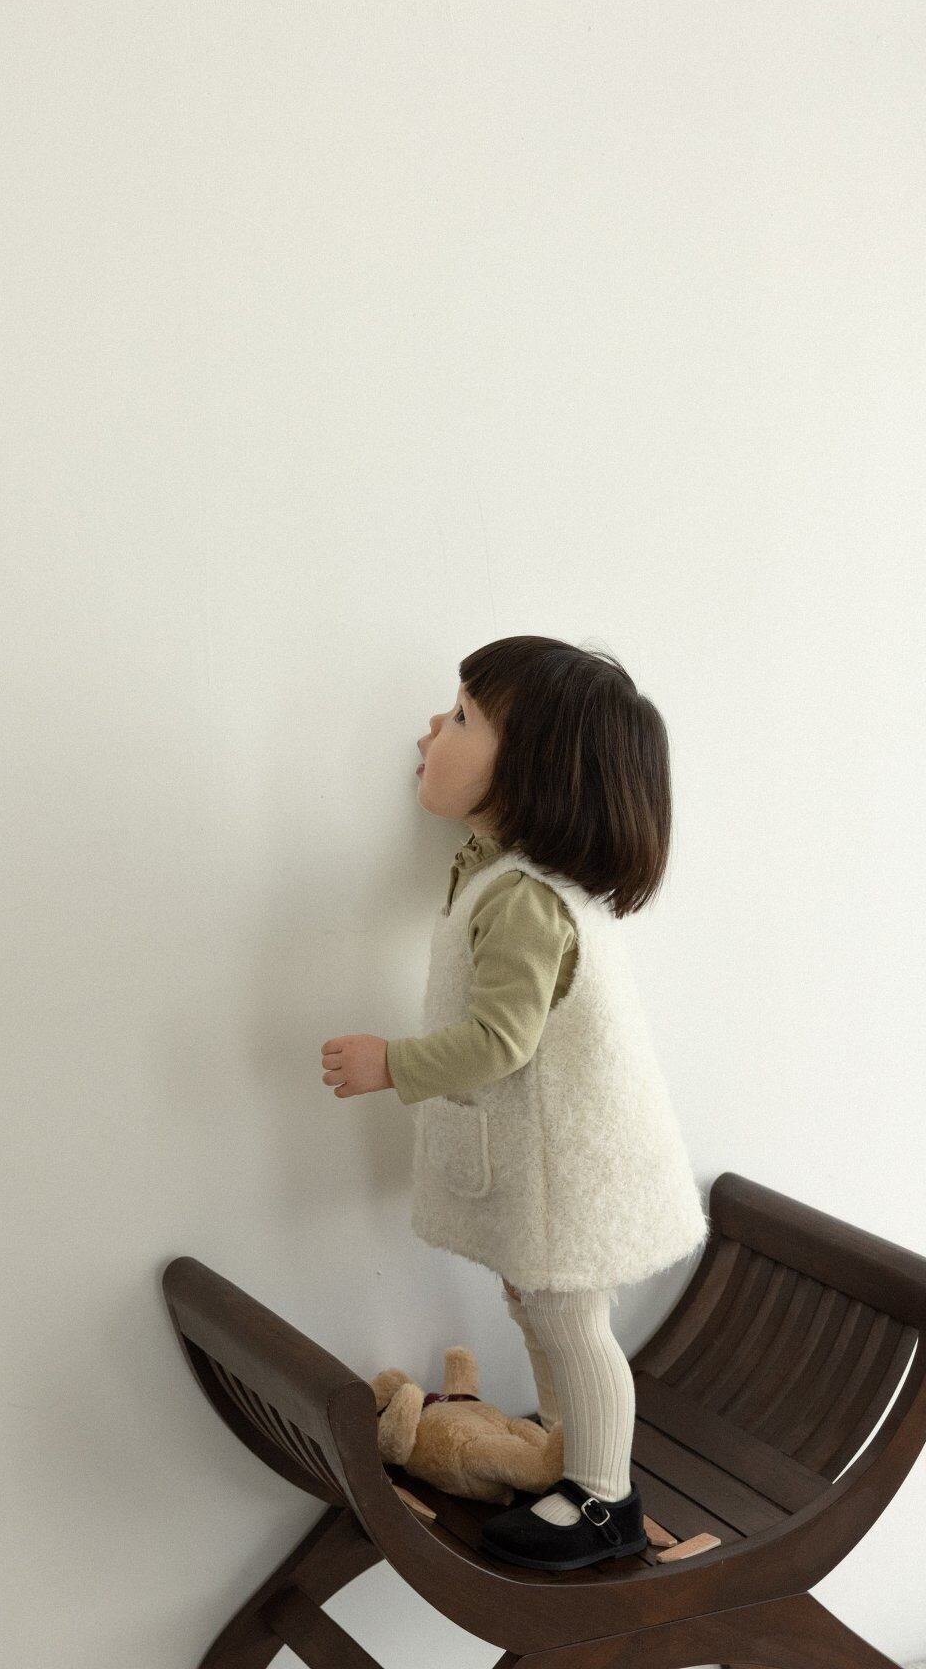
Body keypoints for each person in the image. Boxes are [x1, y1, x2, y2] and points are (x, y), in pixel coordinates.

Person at [320, 635, 708, 1571]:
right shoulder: (505, 877)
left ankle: (604, 1500)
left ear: (531, 770)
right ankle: (571, 1463)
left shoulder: (526, 901)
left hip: (571, 1171)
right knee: (543, 1309)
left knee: (570, 1319)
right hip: (555, 1163)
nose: (432, 726)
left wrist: (391, 1063)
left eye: (462, 717)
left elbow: (501, 1042)